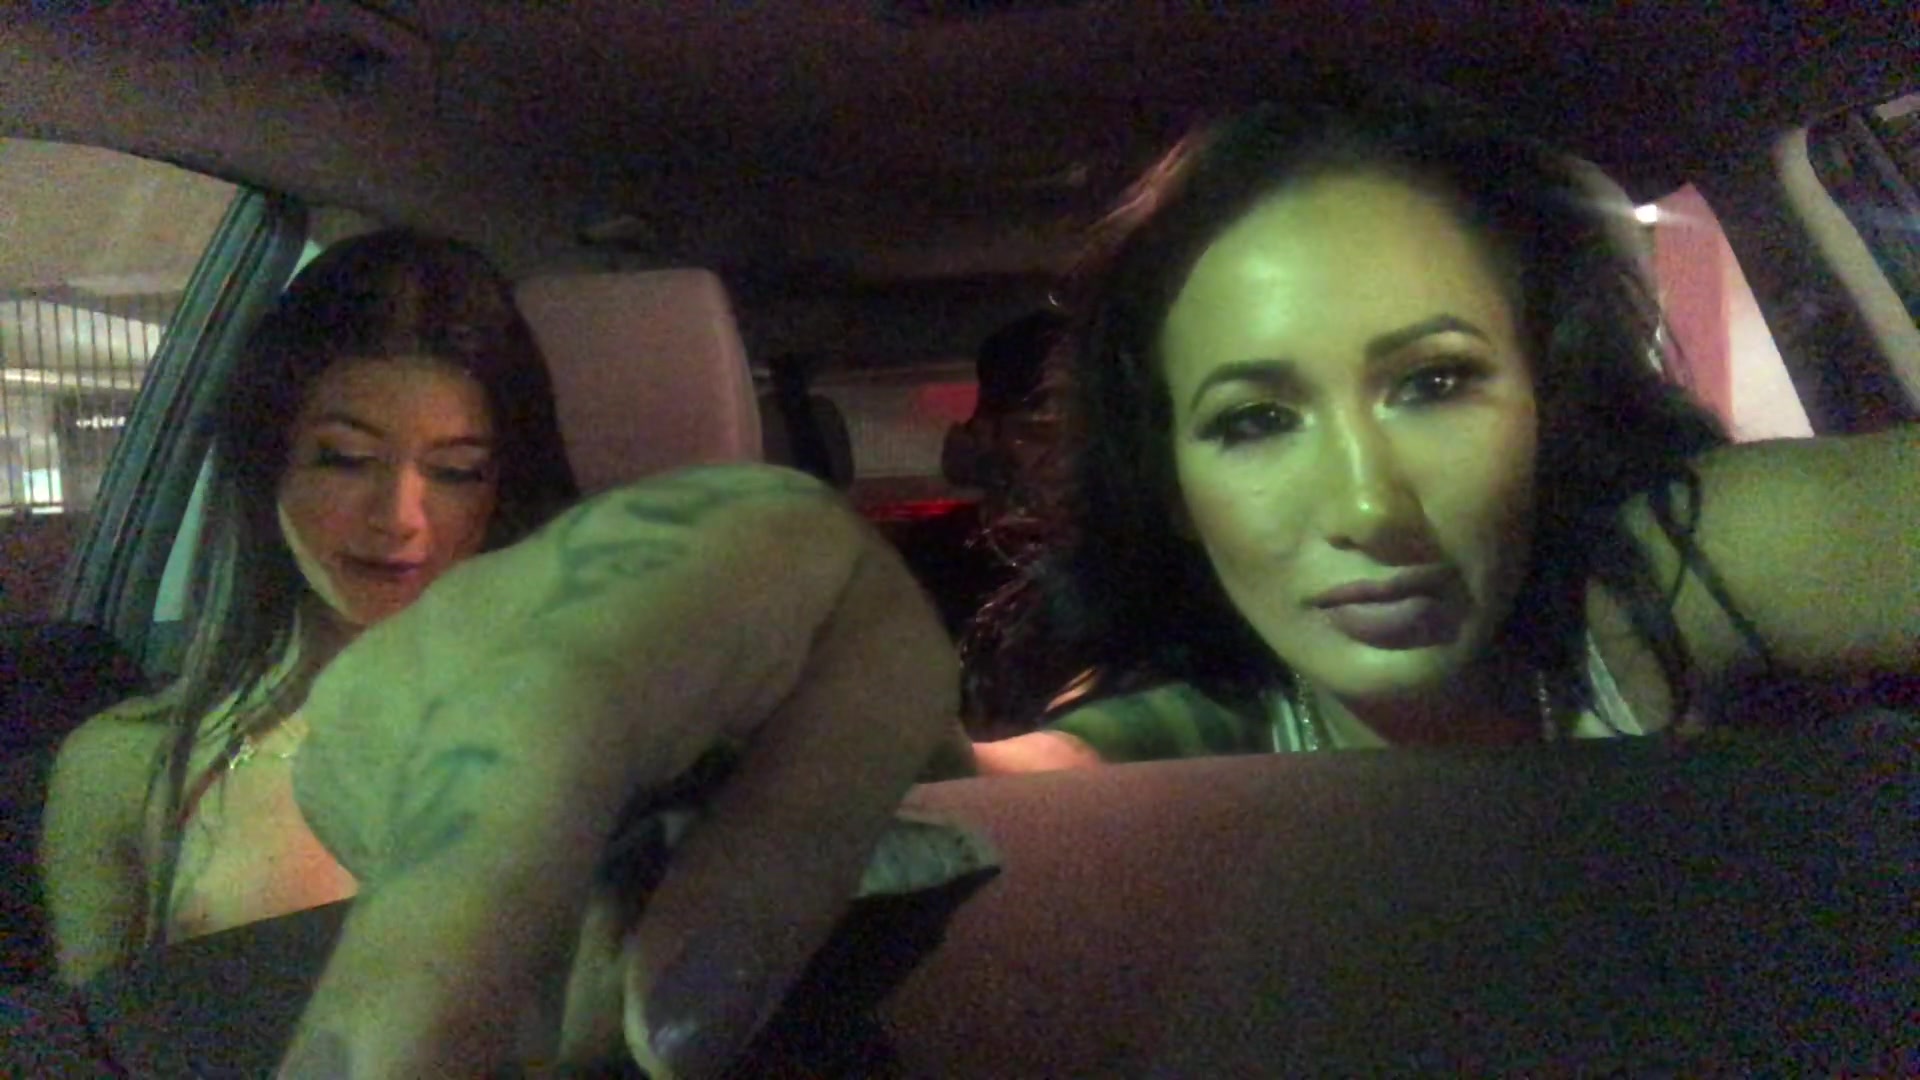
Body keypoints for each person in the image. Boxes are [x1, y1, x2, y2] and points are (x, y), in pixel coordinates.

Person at [970, 88, 1918, 770]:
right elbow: (1029, 780)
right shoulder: (1183, 726)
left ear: (1548, 399)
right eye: (1256, 420)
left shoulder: (1667, 578)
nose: (1369, 507)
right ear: (1171, 485)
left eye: (1435, 382)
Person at [40, 228, 581, 986]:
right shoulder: (126, 770)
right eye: (346, 459)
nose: (399, 516)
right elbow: (92, 1036)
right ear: (269, 459)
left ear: (501, 490)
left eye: (457, 470)